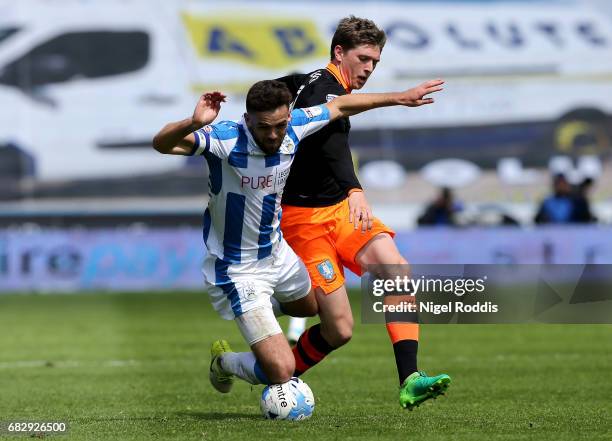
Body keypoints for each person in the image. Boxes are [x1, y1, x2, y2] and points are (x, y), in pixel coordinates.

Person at [152, 79, 445, 396]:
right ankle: (226, 361)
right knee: (281, 369)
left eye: (279, 125)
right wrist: (193, 123)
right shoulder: (226, 138)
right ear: (248, 119)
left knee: (313, 307)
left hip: (279, 256)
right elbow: (162, 144)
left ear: (288, 117)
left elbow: (340, 106)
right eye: (265, 127)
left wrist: (399, 97)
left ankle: (261, 311)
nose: (274, 135)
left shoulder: (296, 126)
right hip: (240, 270)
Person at [276, 16, 450, 409]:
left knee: (396, 269)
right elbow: (331, 132)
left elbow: (329, 137)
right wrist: (398, 98)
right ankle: (256, 368)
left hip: (339, 211)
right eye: (364, 58)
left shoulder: (316, 84)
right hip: (303, 221)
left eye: (376, 61)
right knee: (338, 330)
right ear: (340, 52)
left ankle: (410, 379)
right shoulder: (323, 87)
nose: (370, 68)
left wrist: (349, 190)